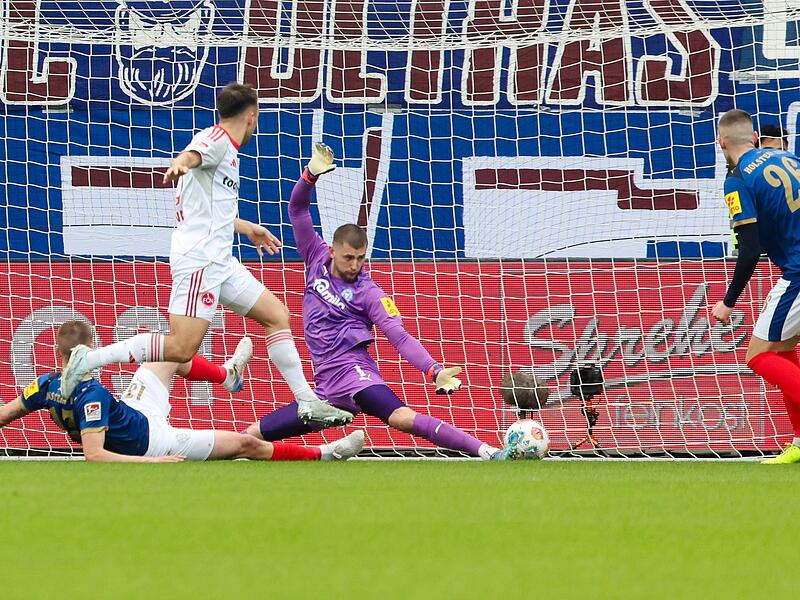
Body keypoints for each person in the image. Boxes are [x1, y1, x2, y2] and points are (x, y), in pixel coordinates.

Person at [59, 83, 351, 428]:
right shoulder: (216, 140)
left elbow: (207, 209)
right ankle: (89, 359)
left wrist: (246, 228)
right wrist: (182, 162)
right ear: (251, 116)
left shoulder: (225, 150)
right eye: (257, 119)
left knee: (276, 315)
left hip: (220, 259)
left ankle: (307, 402)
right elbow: (194, 154)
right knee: (182, 349)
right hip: (200, 261)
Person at [245, 144, 504, 460]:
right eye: (348, 258)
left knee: (401, 418)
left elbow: (399, 336)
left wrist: (433, 369)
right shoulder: (314, 255)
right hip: (324, 390)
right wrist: (310, 174)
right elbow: (297, 209)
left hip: (354, 373)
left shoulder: (371, 293)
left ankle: (486, 451)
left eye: (360, 258)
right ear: (332, 251)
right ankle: (326, 454)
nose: (355, 265)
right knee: (250, 438)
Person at [0, 321, 363, 462]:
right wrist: (154, 462)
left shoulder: (46, 383)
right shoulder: (91, 394)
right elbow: (95, 456)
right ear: (93, 349)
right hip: (155, 441)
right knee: (243, 444)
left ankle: (228, 376)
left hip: (134, 407)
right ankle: (324, 454)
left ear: (57, 354)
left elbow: (7, 412)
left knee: (169, 353)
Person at [711, 109, 800, 464]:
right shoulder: (789, 158)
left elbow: (749, 251)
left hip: (798, 273)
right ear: (755, 139)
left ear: (722, 143)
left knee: (758, 356)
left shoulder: (738, 179)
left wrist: (728, 302)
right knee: (782, 353)